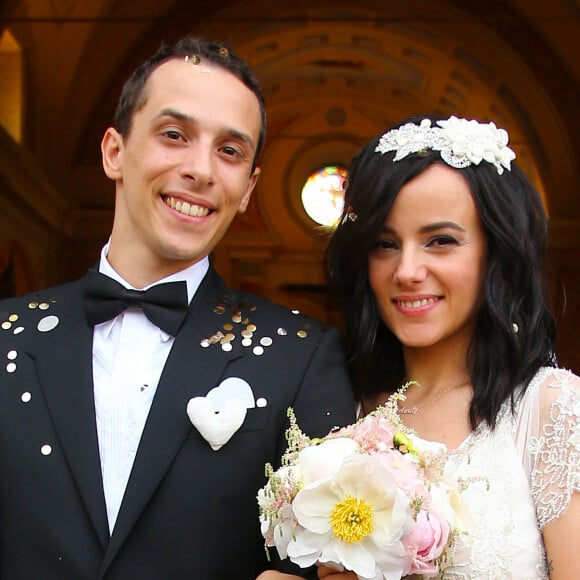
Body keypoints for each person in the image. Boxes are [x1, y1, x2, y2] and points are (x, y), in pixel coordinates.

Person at [0, 37, 355, 579]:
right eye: (174, 135)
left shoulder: (305, 358)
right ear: (114, 151)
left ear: (248, 189)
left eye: (230, 151)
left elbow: (329, 561)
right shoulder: (7, 336)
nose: (202, 169)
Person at [317, 114, 579, 579]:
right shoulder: (345, 408)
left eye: (440, 241)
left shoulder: (550, 409)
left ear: (495, 254)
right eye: (384, 244)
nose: (407, 271)